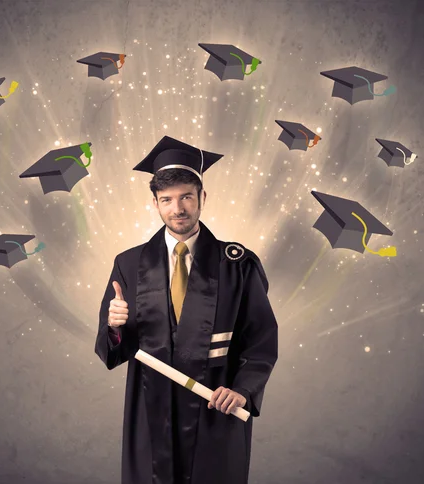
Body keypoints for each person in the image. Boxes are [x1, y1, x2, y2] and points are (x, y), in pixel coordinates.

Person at [95, 136, 278, 484]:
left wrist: (242, 389)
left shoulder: (237, 264)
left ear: (202, 198)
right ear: (155, 203)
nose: (177, 208)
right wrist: (116, 327)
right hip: (150, 409)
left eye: (185, 197)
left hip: (214, 404)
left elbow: (261, 340)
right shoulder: (129, 263)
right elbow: (111, 351)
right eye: (167, 200)